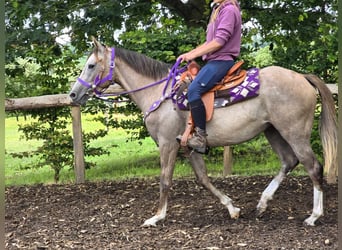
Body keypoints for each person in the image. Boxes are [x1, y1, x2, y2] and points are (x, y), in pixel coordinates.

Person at [177, 0, 242, 153]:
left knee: (193, 90)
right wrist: (189, 54)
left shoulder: (229, 10)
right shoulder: (218, 10)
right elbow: (209, 42)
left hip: (221, 61)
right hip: (214, 61)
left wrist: (192, 54)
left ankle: (200, 138)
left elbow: (219, 42)